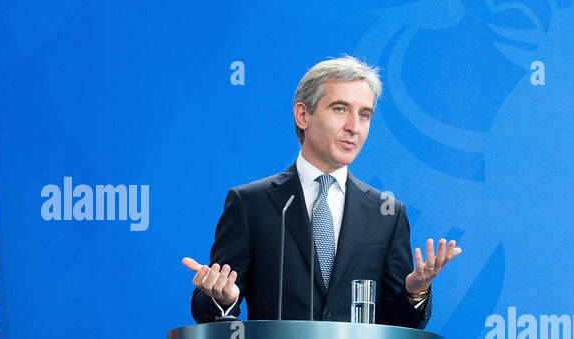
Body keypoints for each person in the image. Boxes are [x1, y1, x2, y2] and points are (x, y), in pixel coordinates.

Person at [183, 56, 460, 324]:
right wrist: (224, 297)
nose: (354, 127)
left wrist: (415, 291)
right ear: (303, 115)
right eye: (340, 109)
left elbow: (400, 324)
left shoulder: (387, 213)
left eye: (364, 115)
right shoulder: (250, 203)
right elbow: (206, 307)